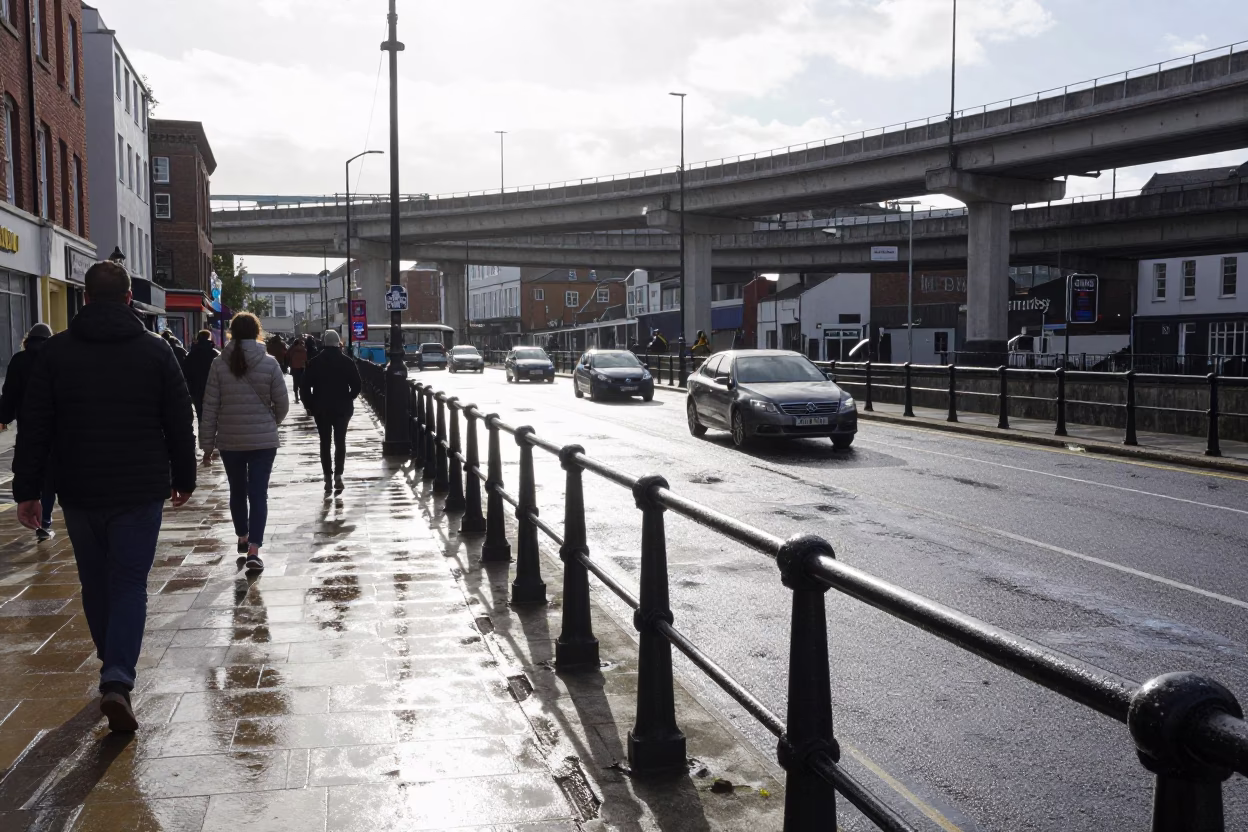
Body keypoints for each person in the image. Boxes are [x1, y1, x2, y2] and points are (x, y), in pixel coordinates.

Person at [12, 261, 196, 732]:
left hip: (79, 486)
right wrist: (185, 475)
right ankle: (118, 676)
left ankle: (109, 666)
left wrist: (28, 490)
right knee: (130, 582)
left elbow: (35, 426)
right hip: (139, 487)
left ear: (86, 298)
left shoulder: (56, 354)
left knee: (94, 581)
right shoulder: (156, 352)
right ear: (131, 298)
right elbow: (179, 418)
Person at [200, 313, 289, 573]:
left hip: (230, 440)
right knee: (258, 493)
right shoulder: (270, 363)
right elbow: (282, 403)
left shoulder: (218, 363)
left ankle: (242, 535)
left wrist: (207, 446)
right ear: (257, 332)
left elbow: (210, 407)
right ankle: (254, 551)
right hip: (263, 441)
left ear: (231, 333)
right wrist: (271, 423)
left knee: (237, 490)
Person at [0, 323, 58, 541]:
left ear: (28, 340)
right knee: (50, 476)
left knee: (32, 469)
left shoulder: (19, 360)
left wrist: (4, 418)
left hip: (28, 428)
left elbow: (10, 394)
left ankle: (39, 517)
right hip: (54, 428)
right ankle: (45, 520)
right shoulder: (54, 359)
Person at [302, 330, 361, 496]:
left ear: (323, 343)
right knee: (340, 441)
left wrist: (309, 405)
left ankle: (327, 477)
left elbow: (305, 387)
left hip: (321, 407)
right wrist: (349, 397)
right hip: (342, 407)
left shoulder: (314, 362)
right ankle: (338, 475)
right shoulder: (347, 361)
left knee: (324, 442)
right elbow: (357, 384)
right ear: (338, 343)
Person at [182, 330, 220, 424]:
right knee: (213, 415)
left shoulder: (191, 354)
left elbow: (185, 371)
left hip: (195, 388)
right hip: (212, 388)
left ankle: (202, 433)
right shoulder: (214, 354)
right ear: (209, 338)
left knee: (200, 415)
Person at [287, 338, 308, 404]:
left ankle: (296, 398)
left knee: (295, 382)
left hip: (295, 367)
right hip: (302, 367)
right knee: (302, 382)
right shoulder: (304, 349)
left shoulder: (293, 349)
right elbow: (306, 358)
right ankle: (302, 396)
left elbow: (288, 355)